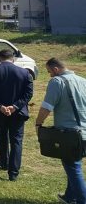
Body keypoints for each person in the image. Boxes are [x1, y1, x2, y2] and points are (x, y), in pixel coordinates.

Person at [35, 58, 86, 204]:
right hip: (84, 132)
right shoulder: (83, 81)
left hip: (70, 135)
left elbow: (47, 106)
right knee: (75, 163)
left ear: (56, 69)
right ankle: (70, 197)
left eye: (49, 72)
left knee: (73, 167)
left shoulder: (57, 82)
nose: (50, 75)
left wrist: (38, 124)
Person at [0, 49, 34, 181]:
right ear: (13, 59)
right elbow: (28, 94)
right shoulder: (24, 72)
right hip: (18, 112)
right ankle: (13, 173)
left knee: (1, 137)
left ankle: (4, 162)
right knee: (16, 140)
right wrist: (15, 106)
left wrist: (0, 106)